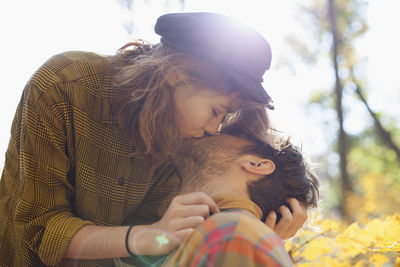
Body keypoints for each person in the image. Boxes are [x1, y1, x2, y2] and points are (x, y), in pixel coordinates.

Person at [0, 12, 307, 267]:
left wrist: (265, 233)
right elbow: (39, 227)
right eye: (216, 111)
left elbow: (161, 251)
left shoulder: (186, 156)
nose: (215, 129)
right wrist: (142, 236)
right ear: (176, 74)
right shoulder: (64, 86)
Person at [116, 125, 319, 266]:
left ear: (257, 164)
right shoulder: (214, 236)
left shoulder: (235, 235)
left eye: (232, 133)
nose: (213, 130)